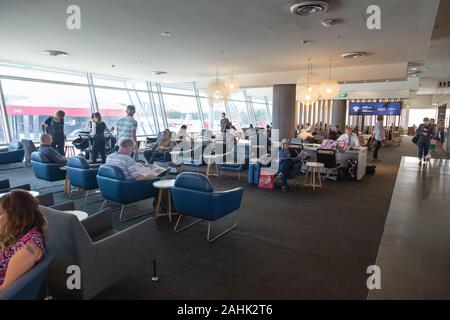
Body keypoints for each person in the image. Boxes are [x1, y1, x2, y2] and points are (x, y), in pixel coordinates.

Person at [0, 190, 47, 293]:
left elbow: (4, 289)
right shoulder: (16, 230)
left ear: (15, 216)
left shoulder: (28, 248)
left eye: (0, 213)